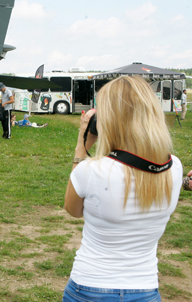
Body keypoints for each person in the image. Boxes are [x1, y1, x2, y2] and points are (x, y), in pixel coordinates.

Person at [63, 76, 182, 302]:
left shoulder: (91, 170)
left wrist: (83, 142)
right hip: (145, 288)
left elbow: (73, 209)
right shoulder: (173, 166)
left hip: (89, 286)